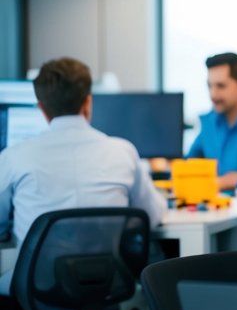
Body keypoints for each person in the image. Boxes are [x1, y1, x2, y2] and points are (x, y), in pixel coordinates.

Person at [0, 57, 167, 294]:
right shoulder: (123, 152)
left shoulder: (14, 157)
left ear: (42, 109)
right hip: (104, 287)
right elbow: (153, 215)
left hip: (37, 291)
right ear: (88, 102)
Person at [186, 52, 237, 191]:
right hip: (215, 209)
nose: (213, 94)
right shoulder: (209, 123)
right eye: (210, 86)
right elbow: (188, 165)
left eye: (221, 86)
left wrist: (232, 180)